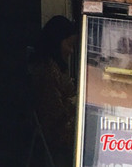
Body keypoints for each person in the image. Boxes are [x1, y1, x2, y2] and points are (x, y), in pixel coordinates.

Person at [31, 15, 78, 167]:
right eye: (69, 45)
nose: (71, 51)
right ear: (57, 41)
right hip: (57, 134)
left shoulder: (54, 66)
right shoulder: (47, 71)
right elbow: (54, 112)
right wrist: (75, 103)